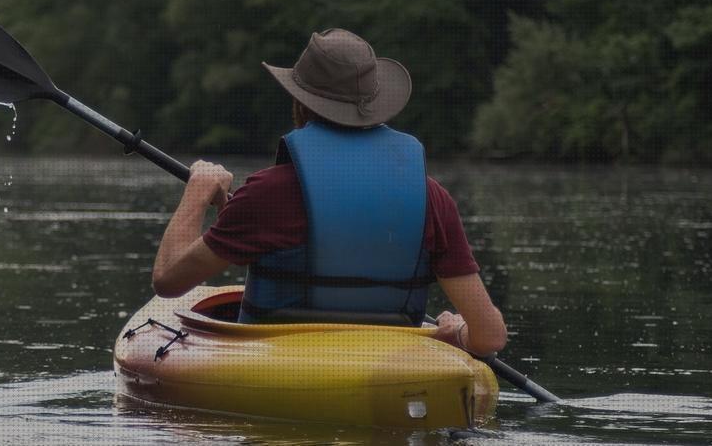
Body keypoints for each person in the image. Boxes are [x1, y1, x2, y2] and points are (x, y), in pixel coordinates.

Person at [151, 28, 507, 356]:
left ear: (300, 104)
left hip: (280, 370)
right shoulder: (433, 199)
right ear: (376, 105)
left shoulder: (267, 193)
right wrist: (455, 333)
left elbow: (168, 281)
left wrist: (198, 191)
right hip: (389, 376)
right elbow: (490, 337)